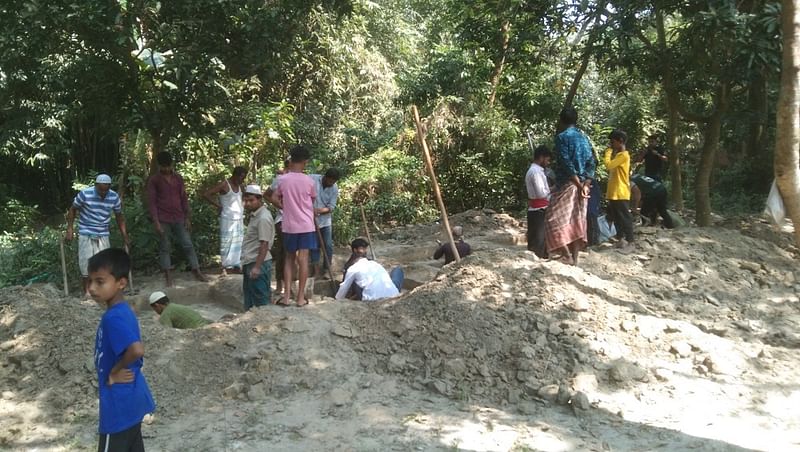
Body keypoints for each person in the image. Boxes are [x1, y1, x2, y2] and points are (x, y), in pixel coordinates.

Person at [88, 248, 155, 451]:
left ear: (121, 283)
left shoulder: (113, 317)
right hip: (131, 399)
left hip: (118, 406)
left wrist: (115, 371)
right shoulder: (122, 310)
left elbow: (136, 350)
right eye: (90, 281)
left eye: (100, 282)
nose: (91, 288)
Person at [147, 151, 208, 287]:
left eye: (168, 166)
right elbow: (152, 202)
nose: (166, 169)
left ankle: (196, 270)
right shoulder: (154, 180)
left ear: (171, 165)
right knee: (165, 247)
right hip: (163, 218)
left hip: (179, 216)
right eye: (163, 166)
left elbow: (183, 198)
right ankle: (168, 276)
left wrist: (187, 217)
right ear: (159, 166)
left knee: (188, 244)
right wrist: (156, 222)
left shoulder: (178, 178)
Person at [545, 106, 595, 266]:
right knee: (577, 220)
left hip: (568, 184)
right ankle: (575, 258)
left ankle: (566, 255)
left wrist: (579, 185)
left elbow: (566, 164)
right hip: (583, 186)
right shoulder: (584, 138)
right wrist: (586, 183)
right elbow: (592, 163)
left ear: (561, 120)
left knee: (552, 219)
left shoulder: (561, 138)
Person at [65, 174, 130, 296]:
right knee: (86, 263)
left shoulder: (114, 197)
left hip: (103, 232)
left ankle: (104, 290)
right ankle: (87, 292)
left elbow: (119, 216)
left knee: (105, 264)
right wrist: (70, 229)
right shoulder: (85, 194)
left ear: (109, 187)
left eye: (105, 190)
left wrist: (124, 235)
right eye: (100, 190)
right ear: (95, 186)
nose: (103, 193)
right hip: (86, 231)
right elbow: (72, 209)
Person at [270, 145, 317, 307]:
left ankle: (286, 296)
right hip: (306, 225)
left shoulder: (283, 180)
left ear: (291, 160)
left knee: (289, 259)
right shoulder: (309, 181)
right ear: (305, 162)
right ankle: (300, 298)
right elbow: (312, 200)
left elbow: (274, 198)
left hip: (289, 225)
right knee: (303, 260)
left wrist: (284, 207)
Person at [203, 166, 248, 275]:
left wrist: (243, 208)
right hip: (227, 218)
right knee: (227, 242)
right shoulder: (224, 184)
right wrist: (218, 206)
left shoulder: (241, 186)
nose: (242, 180)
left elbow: (244, 198)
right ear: (235, 175)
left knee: (238, 242)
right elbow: (207, 194)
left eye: (244, 178)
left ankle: (236, 265)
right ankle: (226, 266)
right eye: (241, 177)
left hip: (238, 219)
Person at [241, 184, 275, 309]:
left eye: (251, 200)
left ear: (259, 199)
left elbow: (264, 244)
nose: (248, 204)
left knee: (260, 302)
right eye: (246, 201)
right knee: (250, 300)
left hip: (258, 262)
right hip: (251, 260)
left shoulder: (263, 218)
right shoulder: (256, 215)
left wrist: (257, 267)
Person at [336, 238, 402, 301]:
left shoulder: (353, 269)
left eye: (365, 249)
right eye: (362, 249)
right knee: (398, 270)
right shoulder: (375, 264)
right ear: (355, 250)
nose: (365, 251)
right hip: (393, 295)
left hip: (371, 299)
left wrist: (337, 299)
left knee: (356, 280)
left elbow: (344, 287)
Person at [604, 129, 634, 252]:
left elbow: (608, 165)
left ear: (620, 141)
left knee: (624, 216)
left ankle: (631, 240)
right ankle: (620, 237)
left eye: (613, 142)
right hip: (614, 192)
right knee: (616, 216)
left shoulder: (624, 155)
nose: (612, 144)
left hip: (621, 192)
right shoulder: (618, 156)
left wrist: (608, 152)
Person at [310, 168, 341, 278]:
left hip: (325, 220)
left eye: (333, 182)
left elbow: (331, 207)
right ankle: (316, 270)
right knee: (314, 245)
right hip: (310, 220)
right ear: (325, 177)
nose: (331, 184)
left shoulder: (334, 188)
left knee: (328, 245)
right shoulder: (312, 179)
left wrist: (318, 211)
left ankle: (327, 269)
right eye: (330, 181)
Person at [265, 158, 290, 297]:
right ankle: (281, 285)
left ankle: (288, 285)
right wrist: (281, 206)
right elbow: (267, 194)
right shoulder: (279, 180)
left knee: (291, 254)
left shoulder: (297, 178)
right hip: (282, 220)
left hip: (295, 221)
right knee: (284, 253)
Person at [525, 145, 552, 258]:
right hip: (538, 210)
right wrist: (552, 189)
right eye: (547, 160)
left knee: (538, 241)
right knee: (538, 243)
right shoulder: (535, 172)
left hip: (537, 210)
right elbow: (541, 193)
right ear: (541, 157)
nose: (548, 163)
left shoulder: (536, 171)